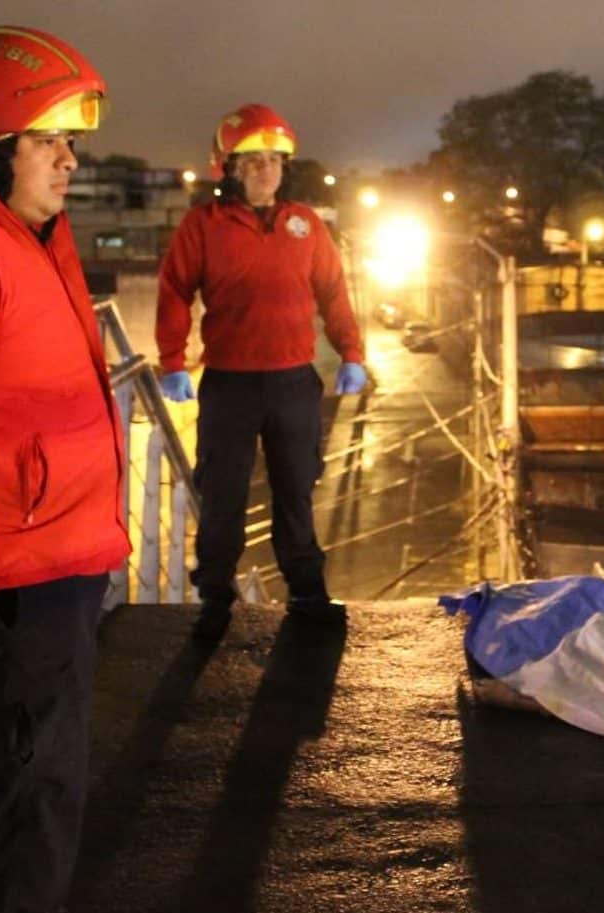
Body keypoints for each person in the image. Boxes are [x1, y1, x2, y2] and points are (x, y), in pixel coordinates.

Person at [0, 25, 130, 912]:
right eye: (48, 140)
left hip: (53, 556)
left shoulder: (31, 234)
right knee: (34, 795)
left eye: (73, 141)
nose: (69, 159)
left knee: (39, 784)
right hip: (17, 571)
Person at [156, 103, 366, 640]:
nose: (265, 170)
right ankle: (215, 596)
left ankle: (306, 591)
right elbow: (175, 291)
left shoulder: (307, 225)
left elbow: (334, 294)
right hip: (229, 383)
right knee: (222, 490)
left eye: (274, 160)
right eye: (252, 162)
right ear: (227, 168)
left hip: (294, 382)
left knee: (296, 488)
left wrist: (353, 353)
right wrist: (173, 361)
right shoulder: (203, 225)